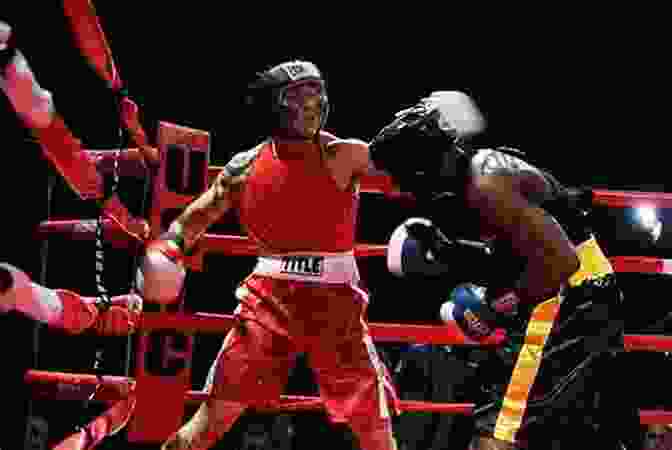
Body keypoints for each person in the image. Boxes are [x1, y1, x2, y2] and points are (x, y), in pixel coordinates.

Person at [140, 60, 400, 450]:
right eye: (298, 94)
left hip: (336, 305)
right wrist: (165, 251)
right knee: (214, 417)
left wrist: (421, 149)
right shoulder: (243, 168)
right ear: (272, 104)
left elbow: (408, 175)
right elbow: (189, 223)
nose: (312, 103)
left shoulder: (343, 155)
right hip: (267, 300)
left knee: (374, 430)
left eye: (316, 91)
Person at [374, 92, 642, 449]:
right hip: (585, 297)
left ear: (421, 166)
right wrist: (451, 254)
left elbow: (561, 263)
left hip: (565, 300)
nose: (400, 188)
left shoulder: (488, 185)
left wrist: (494, 306)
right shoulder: (473, 178)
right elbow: (518, 248)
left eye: (401, 176)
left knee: (500, 429)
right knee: (587, 429)